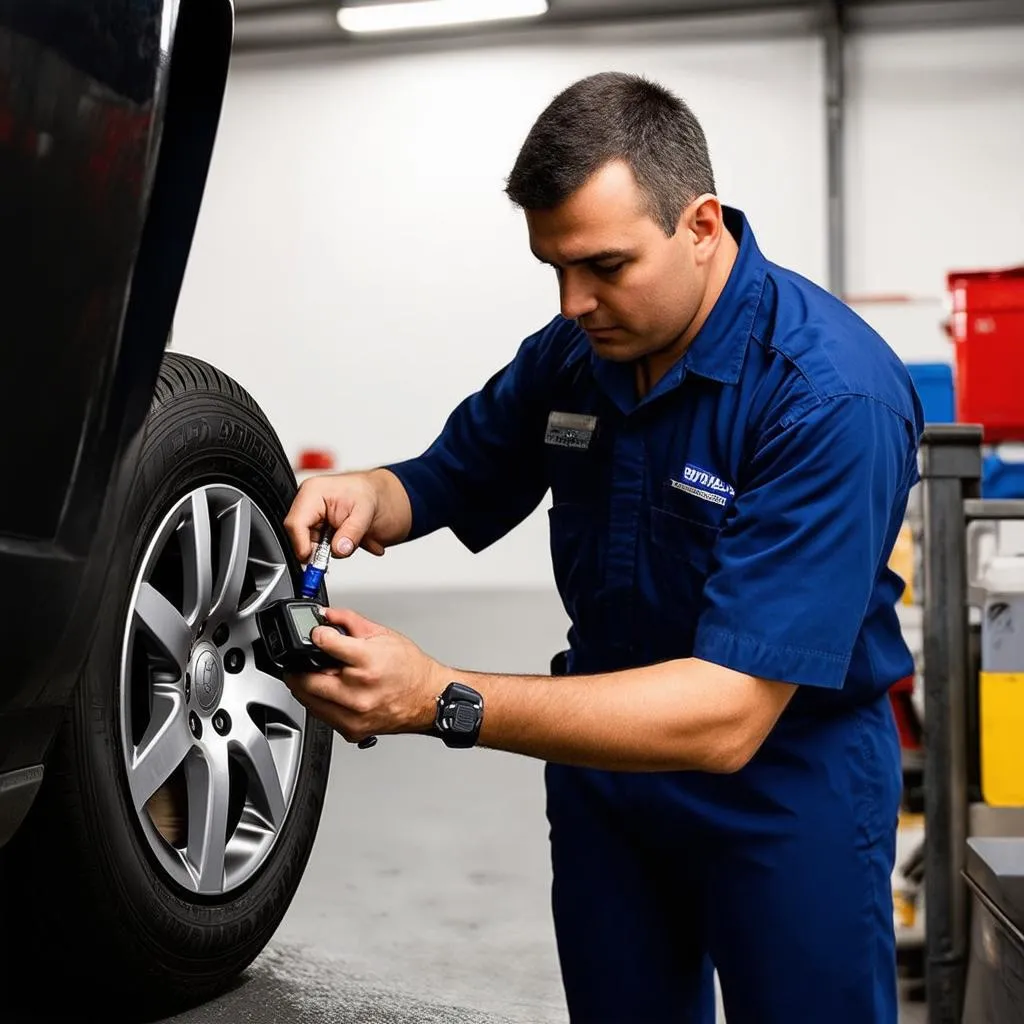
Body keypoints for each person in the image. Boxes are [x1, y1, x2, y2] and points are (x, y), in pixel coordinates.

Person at [282, 71, 924, 1024]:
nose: (574, 300)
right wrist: (365, 490)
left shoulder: (829, 398)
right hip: (610, 787)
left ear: (701, 225)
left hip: (786, 789)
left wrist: (440, 700)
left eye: (606, 267)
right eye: (555, 269)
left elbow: (726, 715)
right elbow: (446, 477)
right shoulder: (578, 353)